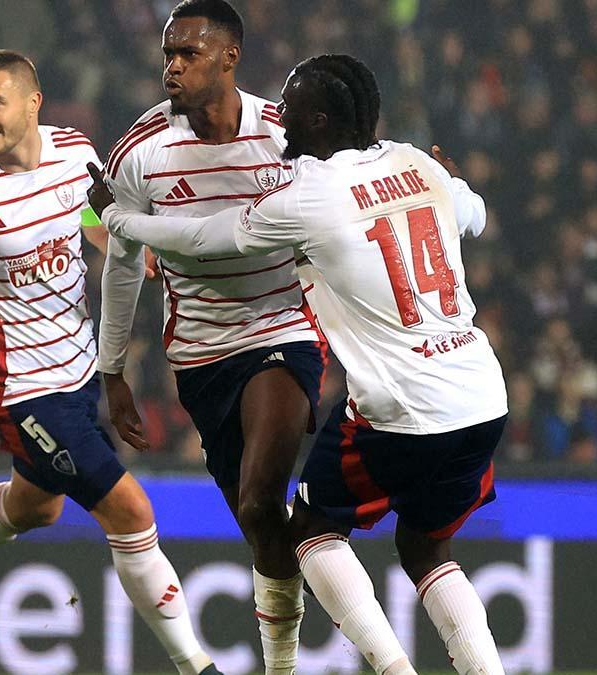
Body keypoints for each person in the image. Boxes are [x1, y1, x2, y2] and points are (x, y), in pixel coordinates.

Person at [89, 54, 509, 675]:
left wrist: (119, 217)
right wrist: (448, 182)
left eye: (292, 108)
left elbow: (210, 238)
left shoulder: (308, 195)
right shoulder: (417, 163)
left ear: (318, 119)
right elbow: (472, 212)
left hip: (402, 405)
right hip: (480, 395)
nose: (279, 119)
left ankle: (393, 669)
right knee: (427, 551)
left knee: (309, 531)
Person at [0, 49, 219, 675]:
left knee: (37, 506)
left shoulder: (76, 150)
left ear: (34, 103)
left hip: (79, 369)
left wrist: (133, 253)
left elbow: (89, 217)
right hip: (19, 387)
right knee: (131, 511)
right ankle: (197, 665)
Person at [100, 1, 322, 670]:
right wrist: (112, 369)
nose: (173, 65)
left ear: (230, 57)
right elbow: (120, 259)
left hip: (284, 328)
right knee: (259, 522)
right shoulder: (140, 151)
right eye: (168, 53)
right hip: (200, 356)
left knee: (260, 495)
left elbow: (339, 216)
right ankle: (317, 540)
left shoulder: (290, 133)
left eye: (188, 53)